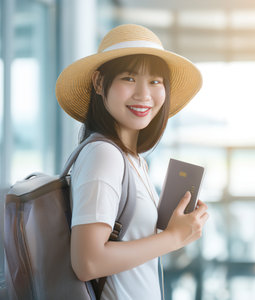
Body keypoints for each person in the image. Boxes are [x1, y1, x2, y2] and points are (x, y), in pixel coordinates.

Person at [55, 24, 209, 299]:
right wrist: (173, 238)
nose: (144, 94)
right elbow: (87, 262)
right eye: (128, 78)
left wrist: (174, 228)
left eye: (155, 81)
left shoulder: (131, 159)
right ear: (100, 83)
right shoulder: (104, 155)